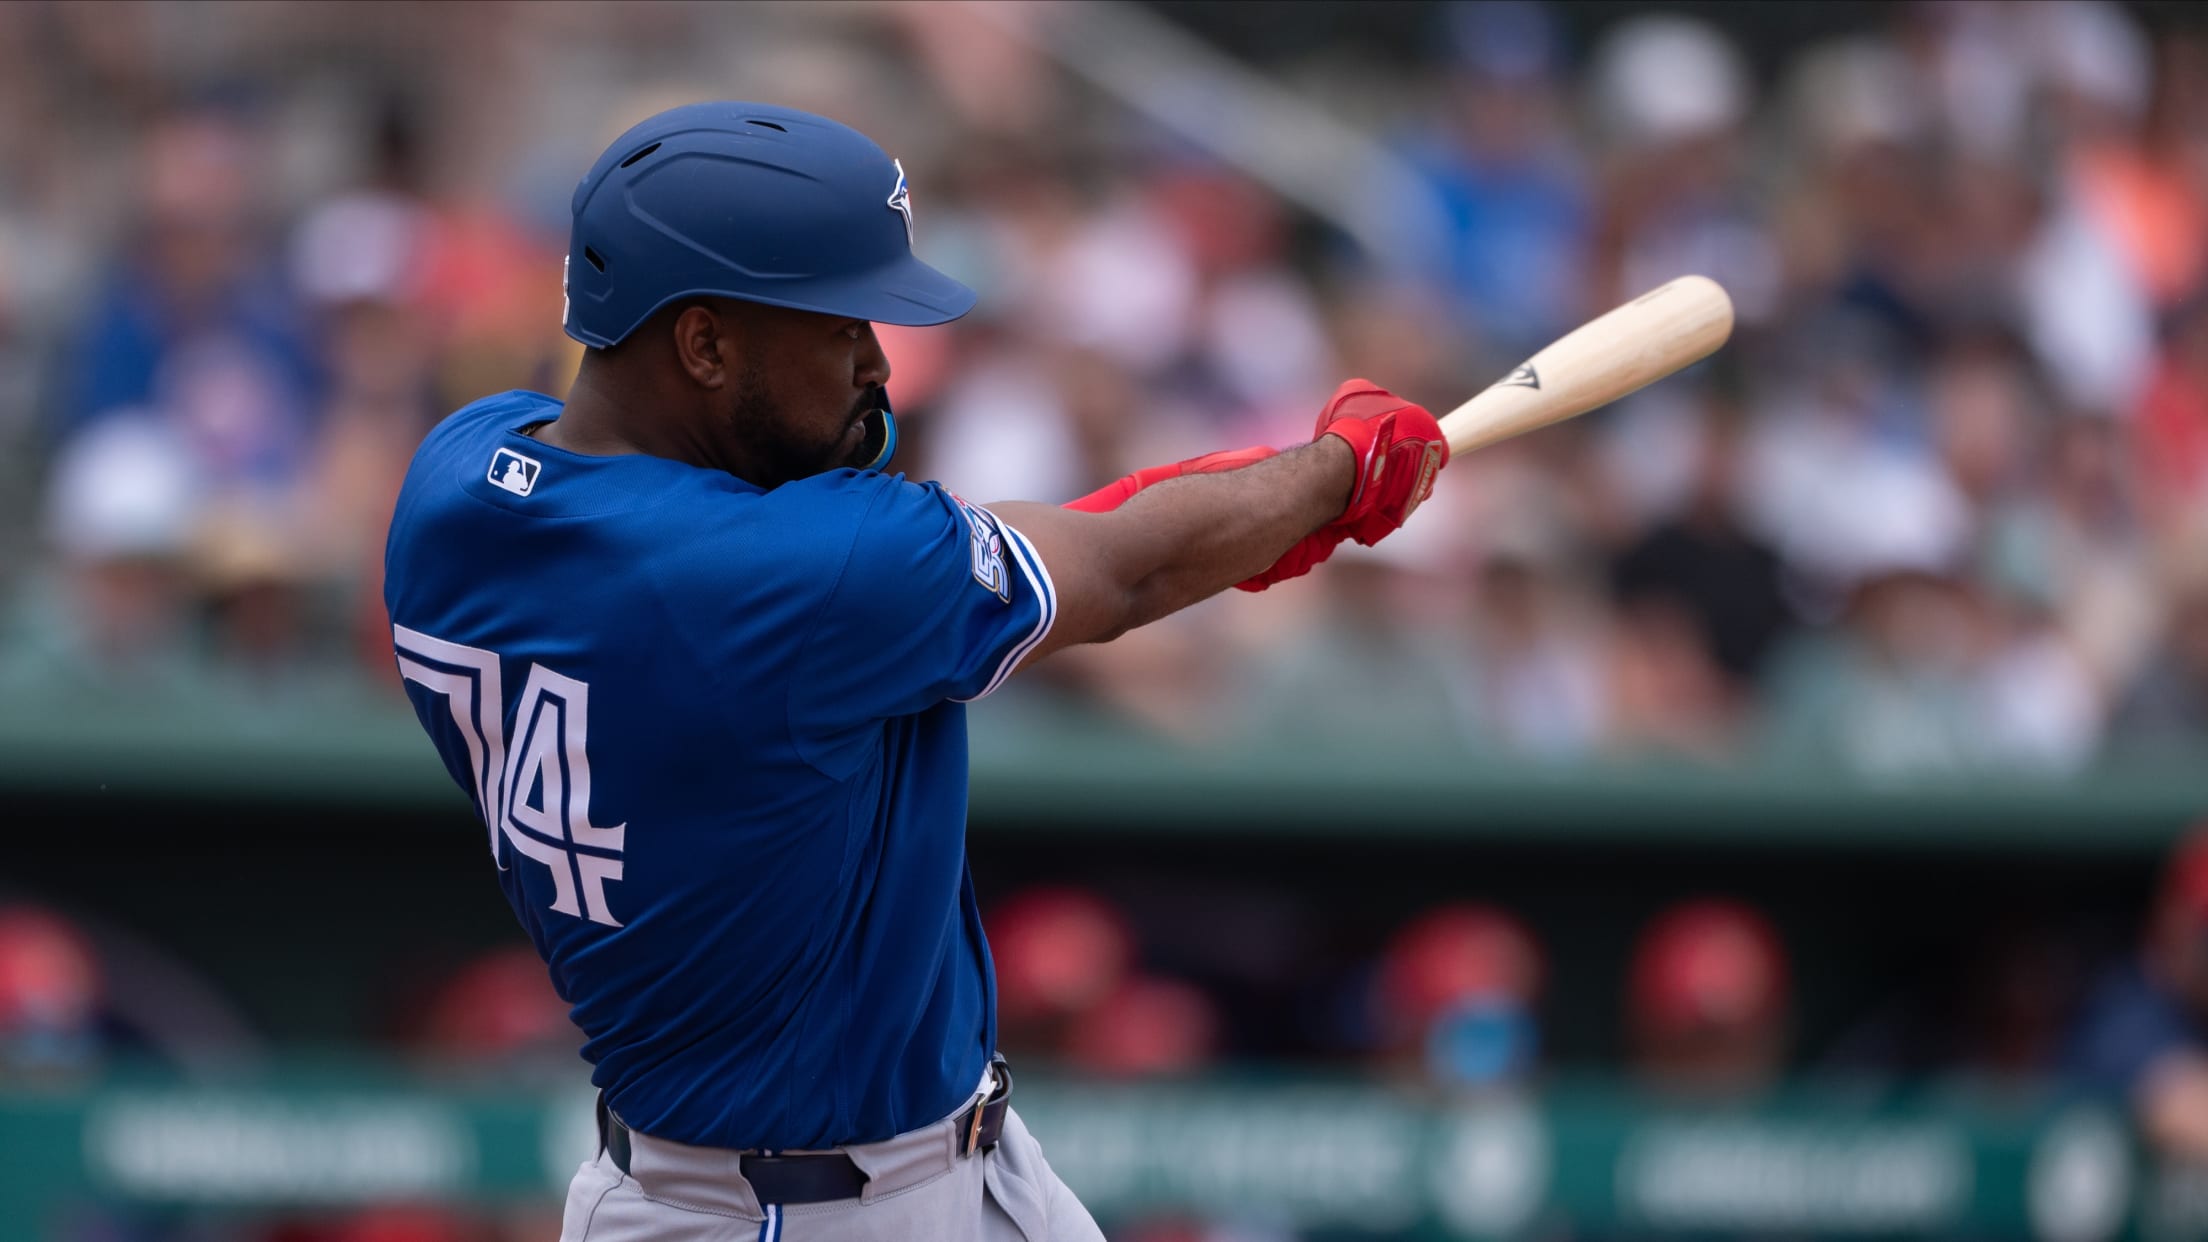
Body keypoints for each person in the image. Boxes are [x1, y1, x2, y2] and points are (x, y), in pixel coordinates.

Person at [381, 101, 1448, 1242]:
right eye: (840, 327)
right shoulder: (794, 575)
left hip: (897, 1164)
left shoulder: (455, 479)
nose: (877, 362)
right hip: (791, 1213)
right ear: (701, 343)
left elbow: (980, 558)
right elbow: (1127, 570)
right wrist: (1333, 474)